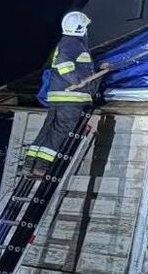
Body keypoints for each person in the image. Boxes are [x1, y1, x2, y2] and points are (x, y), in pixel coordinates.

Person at [21, 11, 102, 178]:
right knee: (61, 131)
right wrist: (77, 80)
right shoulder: (73, 43)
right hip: (71, 98)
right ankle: (41, 167)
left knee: (47, 131)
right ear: (80, 29)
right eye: (85, 27)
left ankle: (29, 165)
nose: (87, 31)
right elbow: (63, 64)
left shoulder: (68, 42)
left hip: (59, 96)